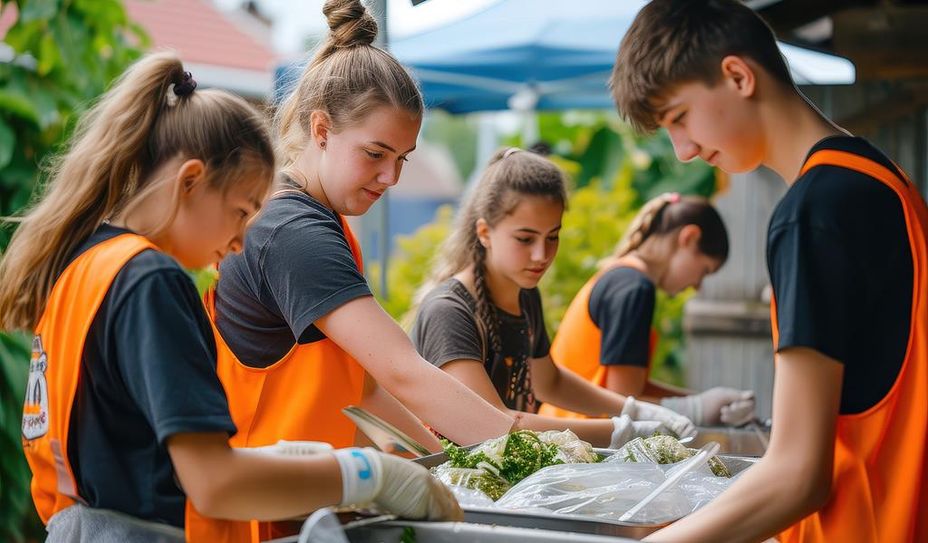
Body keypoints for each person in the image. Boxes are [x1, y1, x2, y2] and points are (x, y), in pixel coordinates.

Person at [0, 52, 460, 543]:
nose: (241, 242)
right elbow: (213, 483)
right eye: (241, 211)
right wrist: (367, 475)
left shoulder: (88, 264)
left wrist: (305, 461)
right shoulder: (150, 280)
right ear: (190, 181)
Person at [609, 1, 928, 541]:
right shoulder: (884, 179)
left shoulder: (811, 214)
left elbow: (798, 476)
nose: (683, 151)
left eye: (679, 118)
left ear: (737, 75)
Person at [409, 148, 696, 448]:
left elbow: (550, 383)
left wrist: (631, 408)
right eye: (525, 239)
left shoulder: (524, 295)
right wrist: (620, 430)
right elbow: (496, 426)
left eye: (552, 237)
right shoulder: (449, 311)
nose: (541, 255)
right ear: (484, 232)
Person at [538, 193, 756, 428]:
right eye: (704, 270)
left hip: (563, 427)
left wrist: (701, 402)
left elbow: (631, 389)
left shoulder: (619, 276)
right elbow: (624, 402)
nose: (697, 286)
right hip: (578, 436)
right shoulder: (634, 288)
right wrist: (695, 409)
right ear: (689, 237)